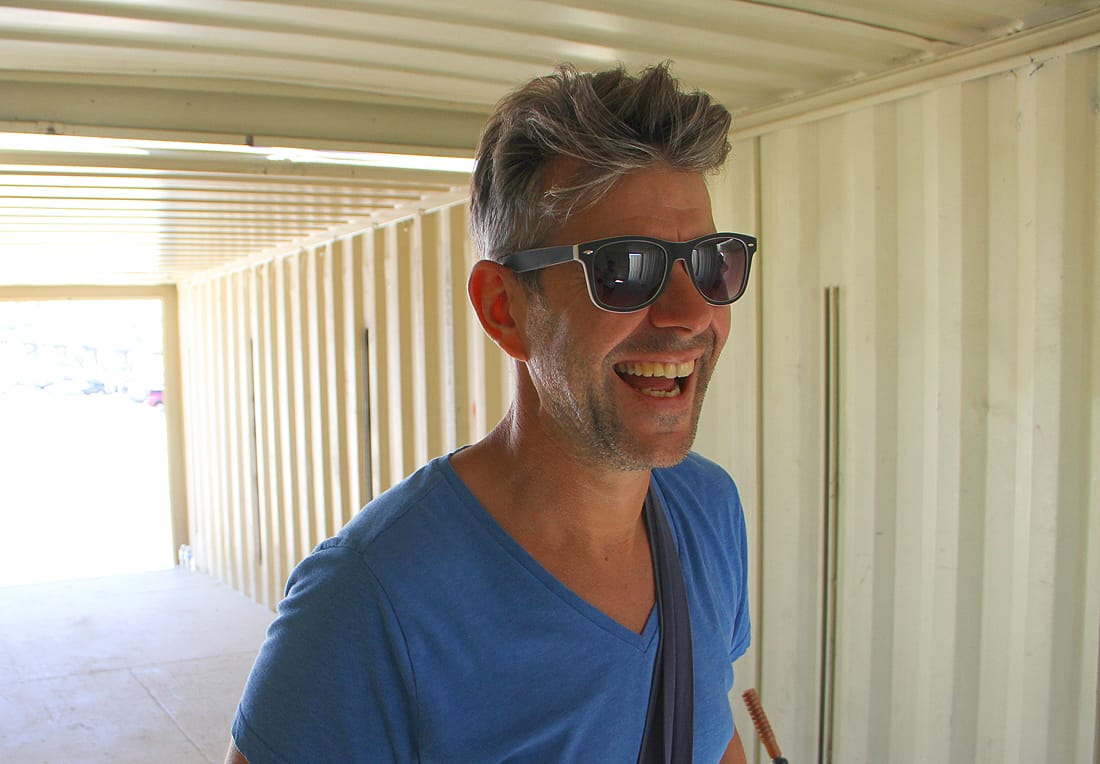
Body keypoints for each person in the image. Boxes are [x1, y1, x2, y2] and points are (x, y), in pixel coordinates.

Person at [226, 62, 756, 764]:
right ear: (505, 309)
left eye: (712, 263)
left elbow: (708, 727)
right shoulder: (369, 599)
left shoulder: (708, 511)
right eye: (626, 268)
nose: (692, 314)